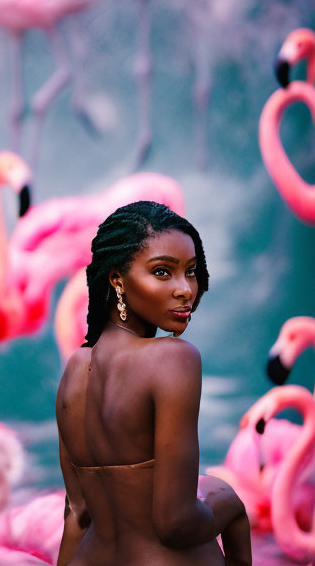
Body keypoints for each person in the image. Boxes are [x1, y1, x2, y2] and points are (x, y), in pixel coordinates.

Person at [56, 201, 252, 566]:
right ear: (117, 279)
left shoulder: (74, 370)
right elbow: (174, 525)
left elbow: (77, 516)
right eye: (162, 272)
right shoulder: (174, 358)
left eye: (191, 272)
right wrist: (226, 501)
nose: (185, 290)